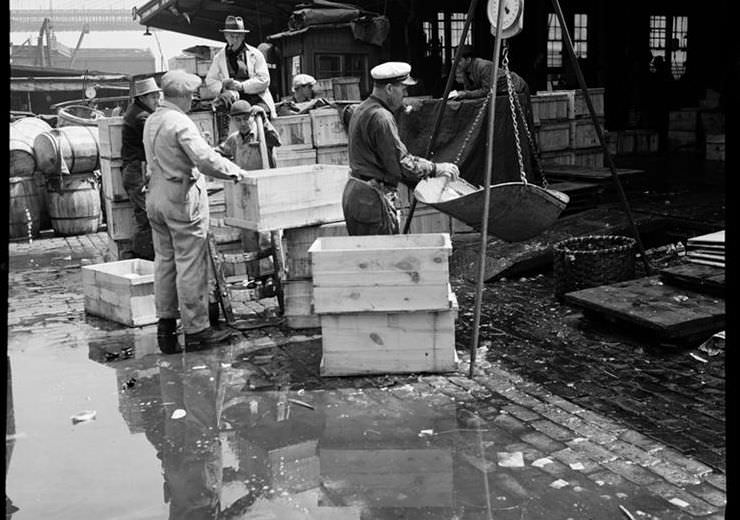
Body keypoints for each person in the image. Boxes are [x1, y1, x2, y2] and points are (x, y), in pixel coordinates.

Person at [143, 69, 248, 354]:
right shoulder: (180, 121)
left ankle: (165, 327)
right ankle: (197, 329)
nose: (193, 100)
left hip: (155, 196)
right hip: (180, 197)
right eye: (191, 95)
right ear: (185, 96)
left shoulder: (153, 119)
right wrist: (235, 172)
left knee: (165, 261)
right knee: (190, 262)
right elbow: (204, 160)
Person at [342, 61, 459, 236]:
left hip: (357, 193)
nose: (405, 94)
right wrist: (435, 168)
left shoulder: (361, 108)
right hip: (372, 199)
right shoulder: (381, 118)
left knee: (366, 260)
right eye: (403, 90)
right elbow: (401, 163)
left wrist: (402, 106)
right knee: (384, 259)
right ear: (389, 88)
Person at [202, 15, 276, 119]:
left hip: (257, 99)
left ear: (243, 36)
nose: (235, 40)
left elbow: (264, 80)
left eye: (238, 36)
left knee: (259, 116)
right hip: (233, 99)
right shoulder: (219, 57)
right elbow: (210, 80)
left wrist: (242, 86)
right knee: (223, 111)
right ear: (226, 36)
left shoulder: (256, 54)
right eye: (232, 36)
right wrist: (223, 87)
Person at [120, 77, 161, 260]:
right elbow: (157, 137)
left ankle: (142, 256)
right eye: (153, 97)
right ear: (143, 98)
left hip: (134, 169)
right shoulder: (141, 117)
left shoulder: (135, 111)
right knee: (147, 216)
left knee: (145, 215)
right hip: (136, 171)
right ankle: (141, 257)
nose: (157, 101)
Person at [450, 44, 530, 100]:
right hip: (500, 93)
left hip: (516, 87)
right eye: (454, 60)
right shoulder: (465, 69)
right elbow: (469, 89)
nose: (456, 64)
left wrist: (466, 94)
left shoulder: (483, 66)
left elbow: (486, 91)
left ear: (468, 59)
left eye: (459, 61)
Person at [216, 99, 281, 168]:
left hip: (264, 177)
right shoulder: (233, 139)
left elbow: (277, 141)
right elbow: (216, 153)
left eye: (246, 118)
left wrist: (265, 121)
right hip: (246, 177)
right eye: (238, 120)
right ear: (232, 120)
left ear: (252, 117)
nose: (243, 123)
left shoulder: (262, 134)